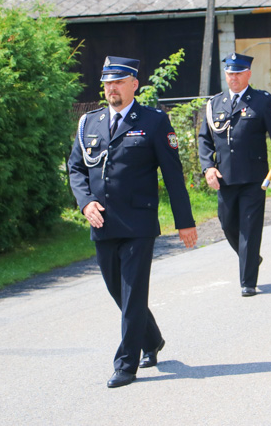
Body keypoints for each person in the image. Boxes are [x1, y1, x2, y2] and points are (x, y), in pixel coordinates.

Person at [68, 56, 198, 389]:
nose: (111, 88)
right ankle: (151, 339)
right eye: (107, 83)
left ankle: (126, 364)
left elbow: (172, 176)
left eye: (118, 82)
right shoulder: (89, 123)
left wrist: (185, 222)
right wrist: (85, 204)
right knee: (119, 292)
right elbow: (77, 169)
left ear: (133, 85)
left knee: (133, 291)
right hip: (102, 223)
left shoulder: (153, 121)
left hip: (139, 224)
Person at [198, 53, 271, 297]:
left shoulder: (261, 101)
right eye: (230, 74)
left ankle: (247, 281)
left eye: (238, 73)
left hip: (254, 179)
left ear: (248, 74)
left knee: (249, 229)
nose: (233, 78)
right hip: (225, 178)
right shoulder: (214, 104)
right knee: (227, 224)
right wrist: (208, 167)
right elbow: (205, 140)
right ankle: (251, 258)